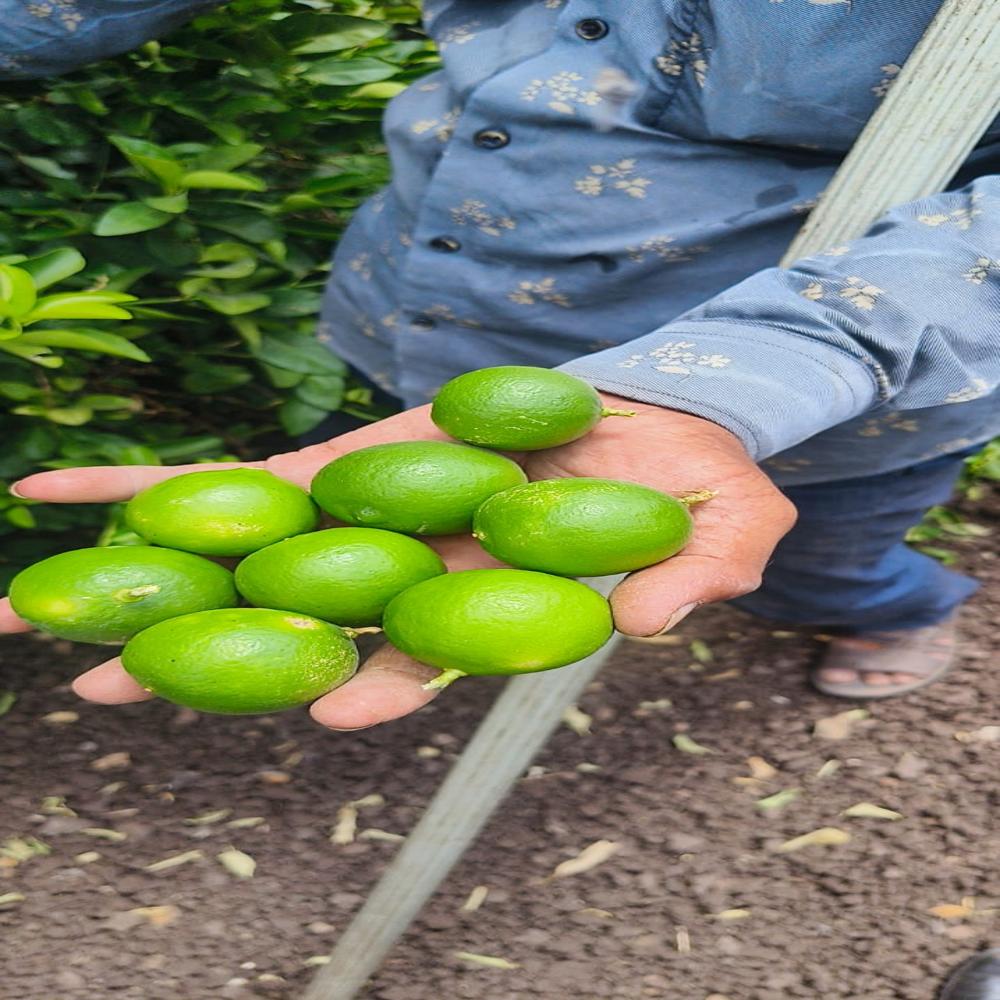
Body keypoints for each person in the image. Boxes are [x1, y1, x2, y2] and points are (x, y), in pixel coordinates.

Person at [0, 2, 996, 731]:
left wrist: (739, 377)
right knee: (382, 500)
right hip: (438, 329)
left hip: (823, 407)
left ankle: (896, 614)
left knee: (819, 562)